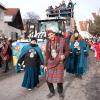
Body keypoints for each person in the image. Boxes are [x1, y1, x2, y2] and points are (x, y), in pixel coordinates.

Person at [44, 29, 70, 100]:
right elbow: (47, 54)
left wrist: (64, 56)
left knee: (59, 80)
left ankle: (60, 93)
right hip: (51, 62)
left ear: (54, 34)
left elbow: (68, 50)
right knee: (48, 79)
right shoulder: (48, 43)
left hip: (59, 62)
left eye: (51, 34)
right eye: (49, 36)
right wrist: (45, 65)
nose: (51, 36)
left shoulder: (62, 40)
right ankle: (52, 92)